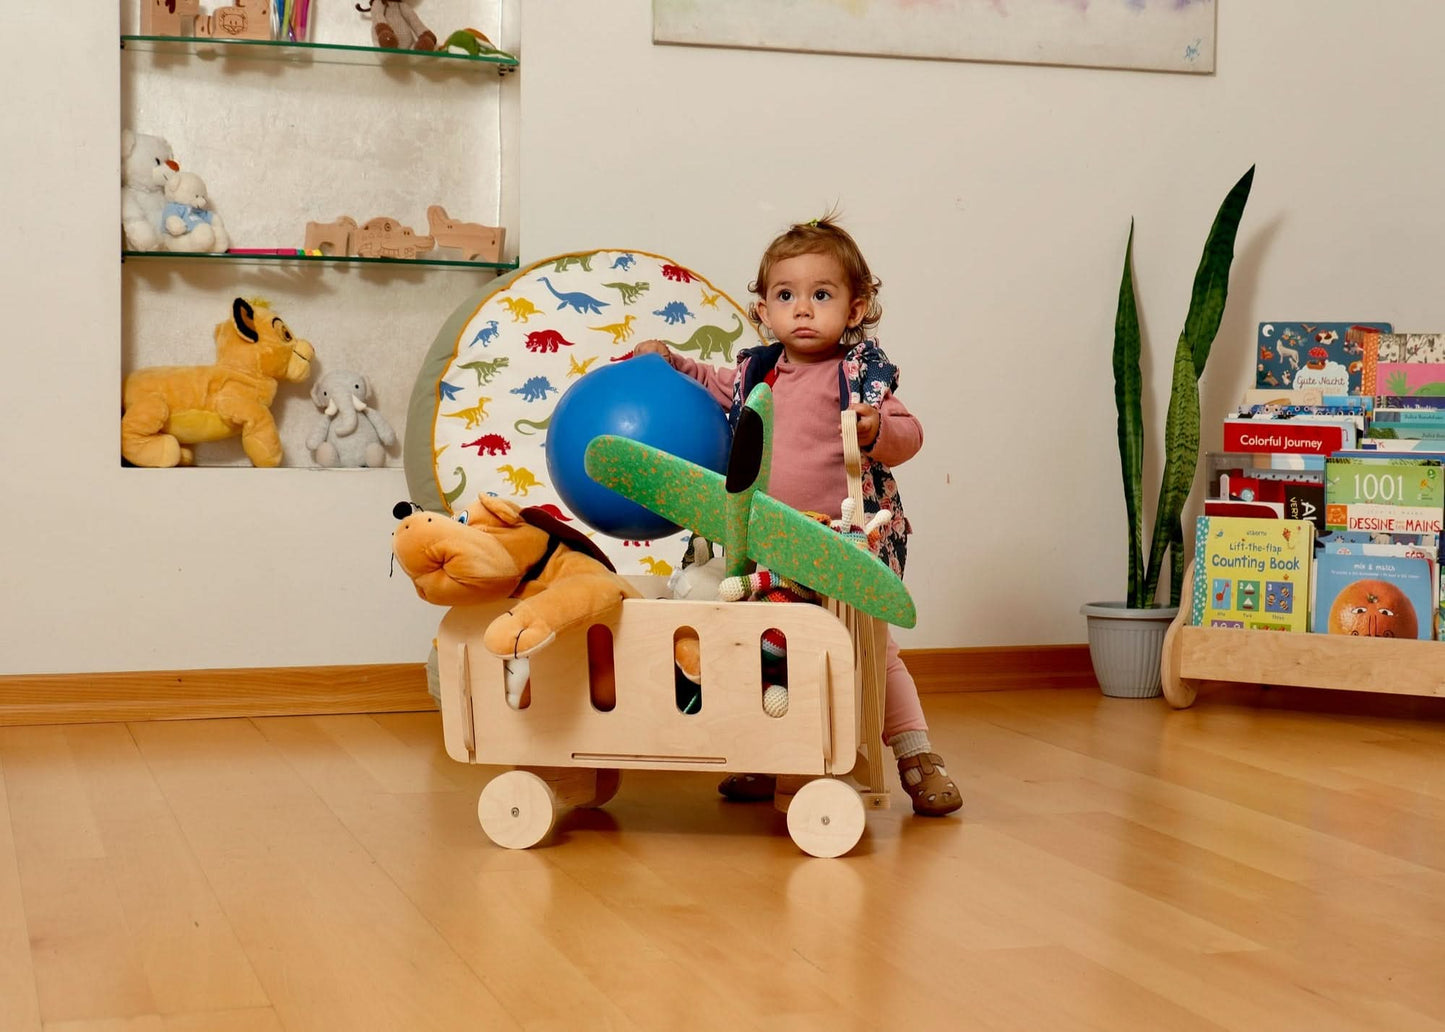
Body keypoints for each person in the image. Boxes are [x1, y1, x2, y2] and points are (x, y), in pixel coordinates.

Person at [634, 214, 961, 816]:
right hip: (765, 542)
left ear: (856, 309)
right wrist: (671, 362)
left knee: (871, 650)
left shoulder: (859, 375)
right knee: (763, 645)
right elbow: (714, 382)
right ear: (763, 310)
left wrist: (875, 427)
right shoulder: (758, 371)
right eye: (786, 297)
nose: (802, 310)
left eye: (822, 295)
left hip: (839, 541)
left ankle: (916, 754)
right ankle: (768, 754)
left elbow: (910, 434)